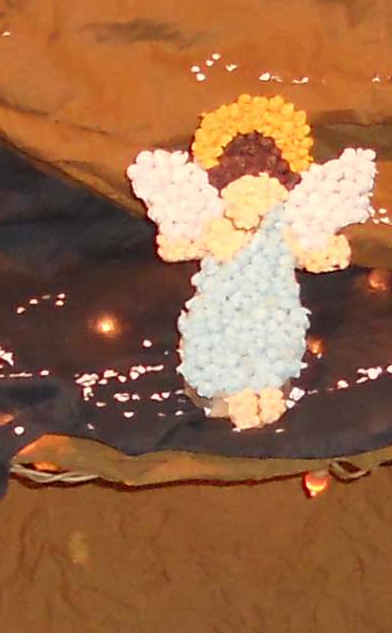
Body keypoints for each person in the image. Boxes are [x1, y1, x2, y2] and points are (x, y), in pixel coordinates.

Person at [126, 95, 379, 429]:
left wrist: (324, 252)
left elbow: (307, 250)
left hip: (274, 306)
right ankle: (233, 393)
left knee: (272, 342)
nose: (253, 193)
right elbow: (182, 245)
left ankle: (268, 390)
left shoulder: (282, 226)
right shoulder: (219, 226)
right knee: (221, 341)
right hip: (222, 307)